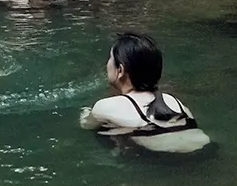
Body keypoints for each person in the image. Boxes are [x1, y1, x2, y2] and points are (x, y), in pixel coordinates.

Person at [79, 33, 210, 153]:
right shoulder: (172, 100)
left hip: (165, 161)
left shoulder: (106, 106)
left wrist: (86, 112)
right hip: (205, 150)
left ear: (120, 70)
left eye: (110, 59)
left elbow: (86, 125)